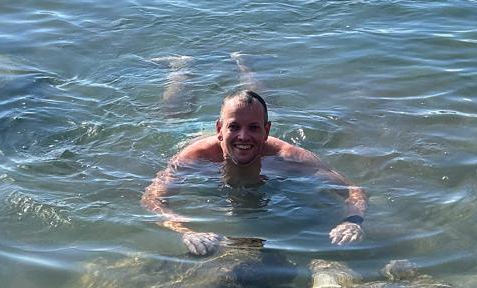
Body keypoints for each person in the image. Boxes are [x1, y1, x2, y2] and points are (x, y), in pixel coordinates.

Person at [143, 88, 367, 256]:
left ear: (266, 130)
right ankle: (180, 69)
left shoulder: (288, 157)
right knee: (175, 115)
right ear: (220, 130)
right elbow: (151, 199)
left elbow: (352, 190)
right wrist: (185, 230)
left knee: (255, 96)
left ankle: (247, 65)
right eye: (234, 127)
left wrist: (352, 221)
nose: (243, 136)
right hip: (188, 133)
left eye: (253, 128)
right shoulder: (196, 156)